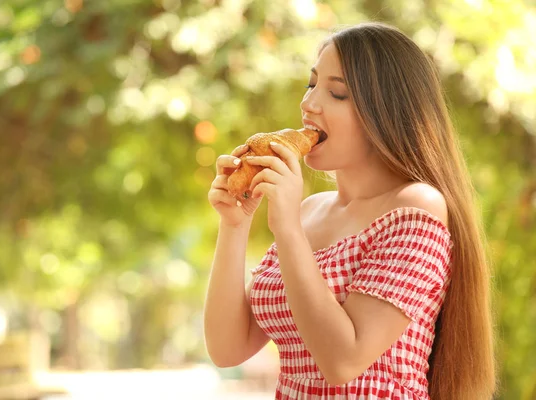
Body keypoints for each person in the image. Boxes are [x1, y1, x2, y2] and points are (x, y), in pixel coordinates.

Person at [204, 22, 496, 400]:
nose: (308, 104)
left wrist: (288, 230)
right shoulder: (310, 211)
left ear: (387, 113)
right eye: (311, 84)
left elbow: (343, 360)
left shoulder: (416, 209)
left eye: (337, 92)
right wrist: (235, 224)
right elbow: (228, 348)